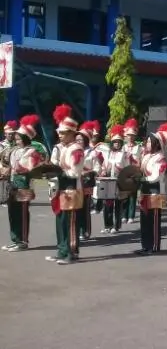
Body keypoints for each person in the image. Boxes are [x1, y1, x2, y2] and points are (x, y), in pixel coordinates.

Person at [47, 104, 85, 265]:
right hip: (61, 189)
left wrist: (59, 171)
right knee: (61, 221)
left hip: (72, 189)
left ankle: (71, 252)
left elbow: (75, 172)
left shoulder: (76, 149)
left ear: (71, 133)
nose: (60, 136)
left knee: (70, 223)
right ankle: (62, 251)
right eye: (59, 133)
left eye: (63, 133)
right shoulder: (61, 148)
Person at [2, 115, 43, 252]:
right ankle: (15, 239)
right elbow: (7, 163)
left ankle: (23, 241)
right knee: (12, 213)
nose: (16, 140)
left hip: (24, 185)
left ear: (26, 138)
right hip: (13, 184)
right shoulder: (15, 150)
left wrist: (10, 169)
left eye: (19, 138)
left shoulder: (32, 151)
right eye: (16, 138)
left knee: (22, 214)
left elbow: (25, 167)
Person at [135, 123, 167, 255]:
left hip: (156, 192)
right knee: (144, 220)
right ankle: (145, 245)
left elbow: (156, 176)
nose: (148, 143)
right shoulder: (146, 156)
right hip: (145, 191)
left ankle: (154, 246)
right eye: (148, 141)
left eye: (151, 142)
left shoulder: (160, 158)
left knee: (154, 221)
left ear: (157, 144)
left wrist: (142, 180)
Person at [100, 124, 131, 234]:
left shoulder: (125, 154)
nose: (116, 143)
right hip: (108, 180)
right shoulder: (108, 153)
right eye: (115, 142)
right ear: (112, 143)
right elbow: (104, 165)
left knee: (118, 204)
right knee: (107, 204)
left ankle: (116, 226)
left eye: (118, 142)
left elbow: (127, 168)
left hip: (118, 181)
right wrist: (103, 170)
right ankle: (107, 225)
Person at [77, 121, 102, 241]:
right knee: (76, 208)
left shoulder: (92, 153)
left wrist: (88, 172)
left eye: (80, 140)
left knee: (84, 208)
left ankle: (85, 231)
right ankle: (77, 230)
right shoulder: (74, 151)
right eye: (76, 139)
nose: (78, 142)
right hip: (75, 183)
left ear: (86, 140)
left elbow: (98, 168)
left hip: (86, 183)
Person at [122, 118, 143, 224]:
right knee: (124, 195)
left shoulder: (138, 148)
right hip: (124, 173)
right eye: (128, 135)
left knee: (132, 196)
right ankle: (124, 215)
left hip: (134, 173)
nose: (130, 137)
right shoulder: (123, 147)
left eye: (132, 135)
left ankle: (131, 215)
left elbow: (140, 161)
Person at [90, 125, 108, 213]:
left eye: (96, 136)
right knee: (91, 190)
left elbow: (108, 153)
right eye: (93, 135)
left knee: (100, 189)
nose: (95, 137)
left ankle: (99, 207)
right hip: (89, 171)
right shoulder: (86, 145)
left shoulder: (101, 146)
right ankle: (92, 207)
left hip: (100, 171)